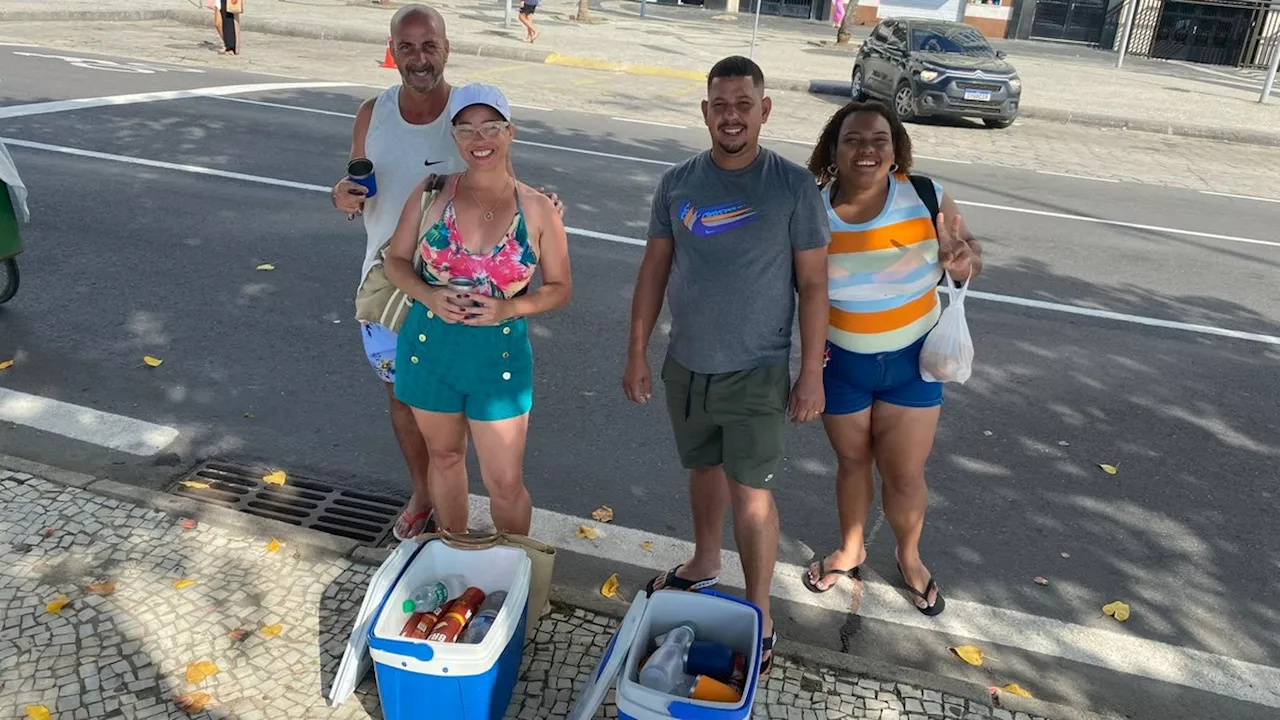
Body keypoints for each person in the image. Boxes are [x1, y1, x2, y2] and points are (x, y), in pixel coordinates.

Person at [621, 55, 829, 674]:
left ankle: (759, 609)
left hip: (757, 371)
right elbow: (654, 269)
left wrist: (810, 371)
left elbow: (814, 286)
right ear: (705, 111)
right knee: (702, 470)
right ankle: (705, 561)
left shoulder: (793, 187)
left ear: (764, 110)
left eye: (744, 104)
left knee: (753, 495)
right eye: (721, 104)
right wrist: (636, 349)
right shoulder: (678, 183)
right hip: (687, 366)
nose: (731, 116)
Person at [799, 100, 982, 616]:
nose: (867, 149)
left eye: (879, 139)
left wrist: (963, 260)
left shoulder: (925, 195)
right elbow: (800, 286)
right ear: (834, 150)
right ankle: (851, 548)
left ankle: (909, 557)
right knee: (852, 463)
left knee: (904, 475)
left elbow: (968, 259)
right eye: (853, 139)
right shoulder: (813, 207)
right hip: (843, 367)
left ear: (895, 147)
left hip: (911, 365)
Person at [383, 83, 571, 537]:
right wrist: (428, 296)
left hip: (499, 358)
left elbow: (560, 287)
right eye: (466, 129)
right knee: (444, 459)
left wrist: (509, 309)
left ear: (511, 133)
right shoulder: (431, 194)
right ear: (454, 138)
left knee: (504, 482)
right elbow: (395, 261)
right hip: (430, 349)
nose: (478, 139)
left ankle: (519, 575)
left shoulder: (539, 208)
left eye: (490, 127)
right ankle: (455, 553)